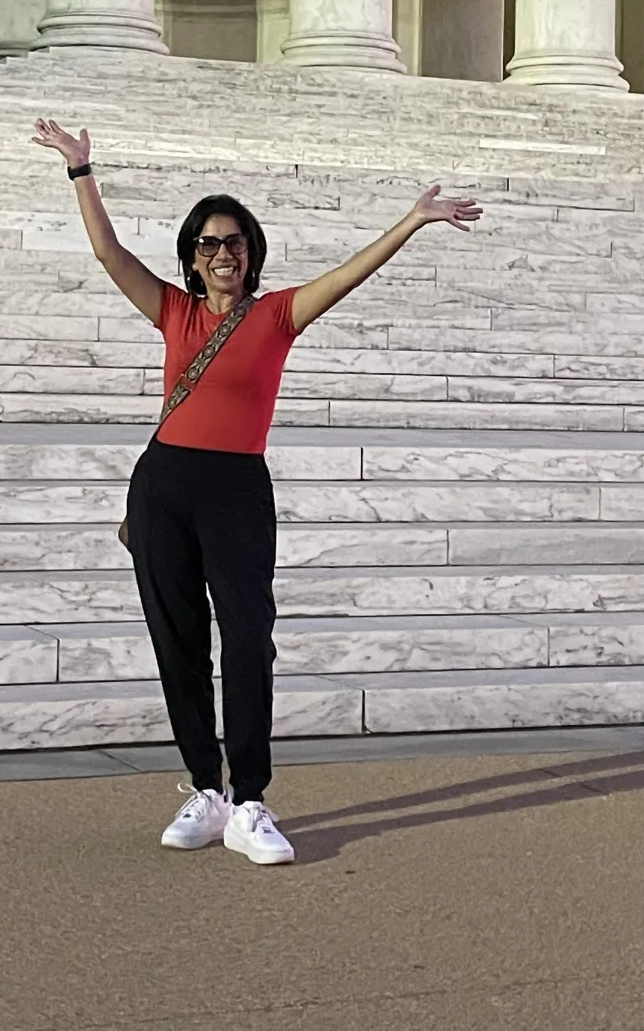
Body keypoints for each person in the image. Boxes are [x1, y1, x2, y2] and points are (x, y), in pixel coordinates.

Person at [33, 117, 483, 864]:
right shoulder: (174, 311)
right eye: (209, 244)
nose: (223, 254)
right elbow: (109, 253)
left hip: (237, 489)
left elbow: (349, 274)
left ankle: (248, 800)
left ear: (252, 253)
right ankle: (204, 790)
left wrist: (412, 220)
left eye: (235, 243)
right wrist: (82, 170)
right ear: (192, 256)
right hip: (164, 486)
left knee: (247, 640)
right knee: (177, 640)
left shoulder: (277, 315)